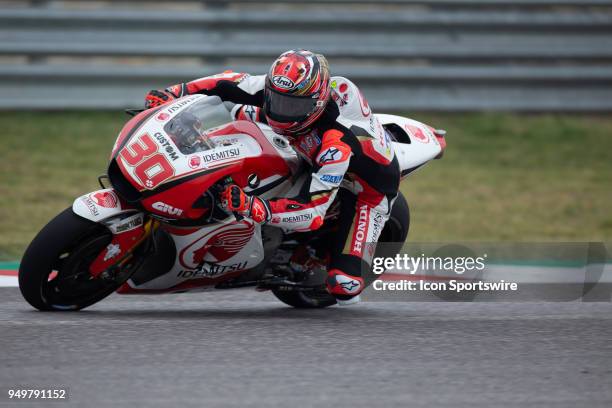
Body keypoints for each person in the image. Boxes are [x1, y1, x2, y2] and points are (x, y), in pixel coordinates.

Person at [144, 49, 400, 305]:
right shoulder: (289, 91)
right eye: (276, 100)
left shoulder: (337, 146)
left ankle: (313, 259)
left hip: (362, 188)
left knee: (345, 285)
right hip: (305, 142)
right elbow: (227, 82)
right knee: (236, 112)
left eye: (292, 106)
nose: (281, 111)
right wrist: (174, 93)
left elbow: (312, 212)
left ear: (317, 103)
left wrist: (253, 206)